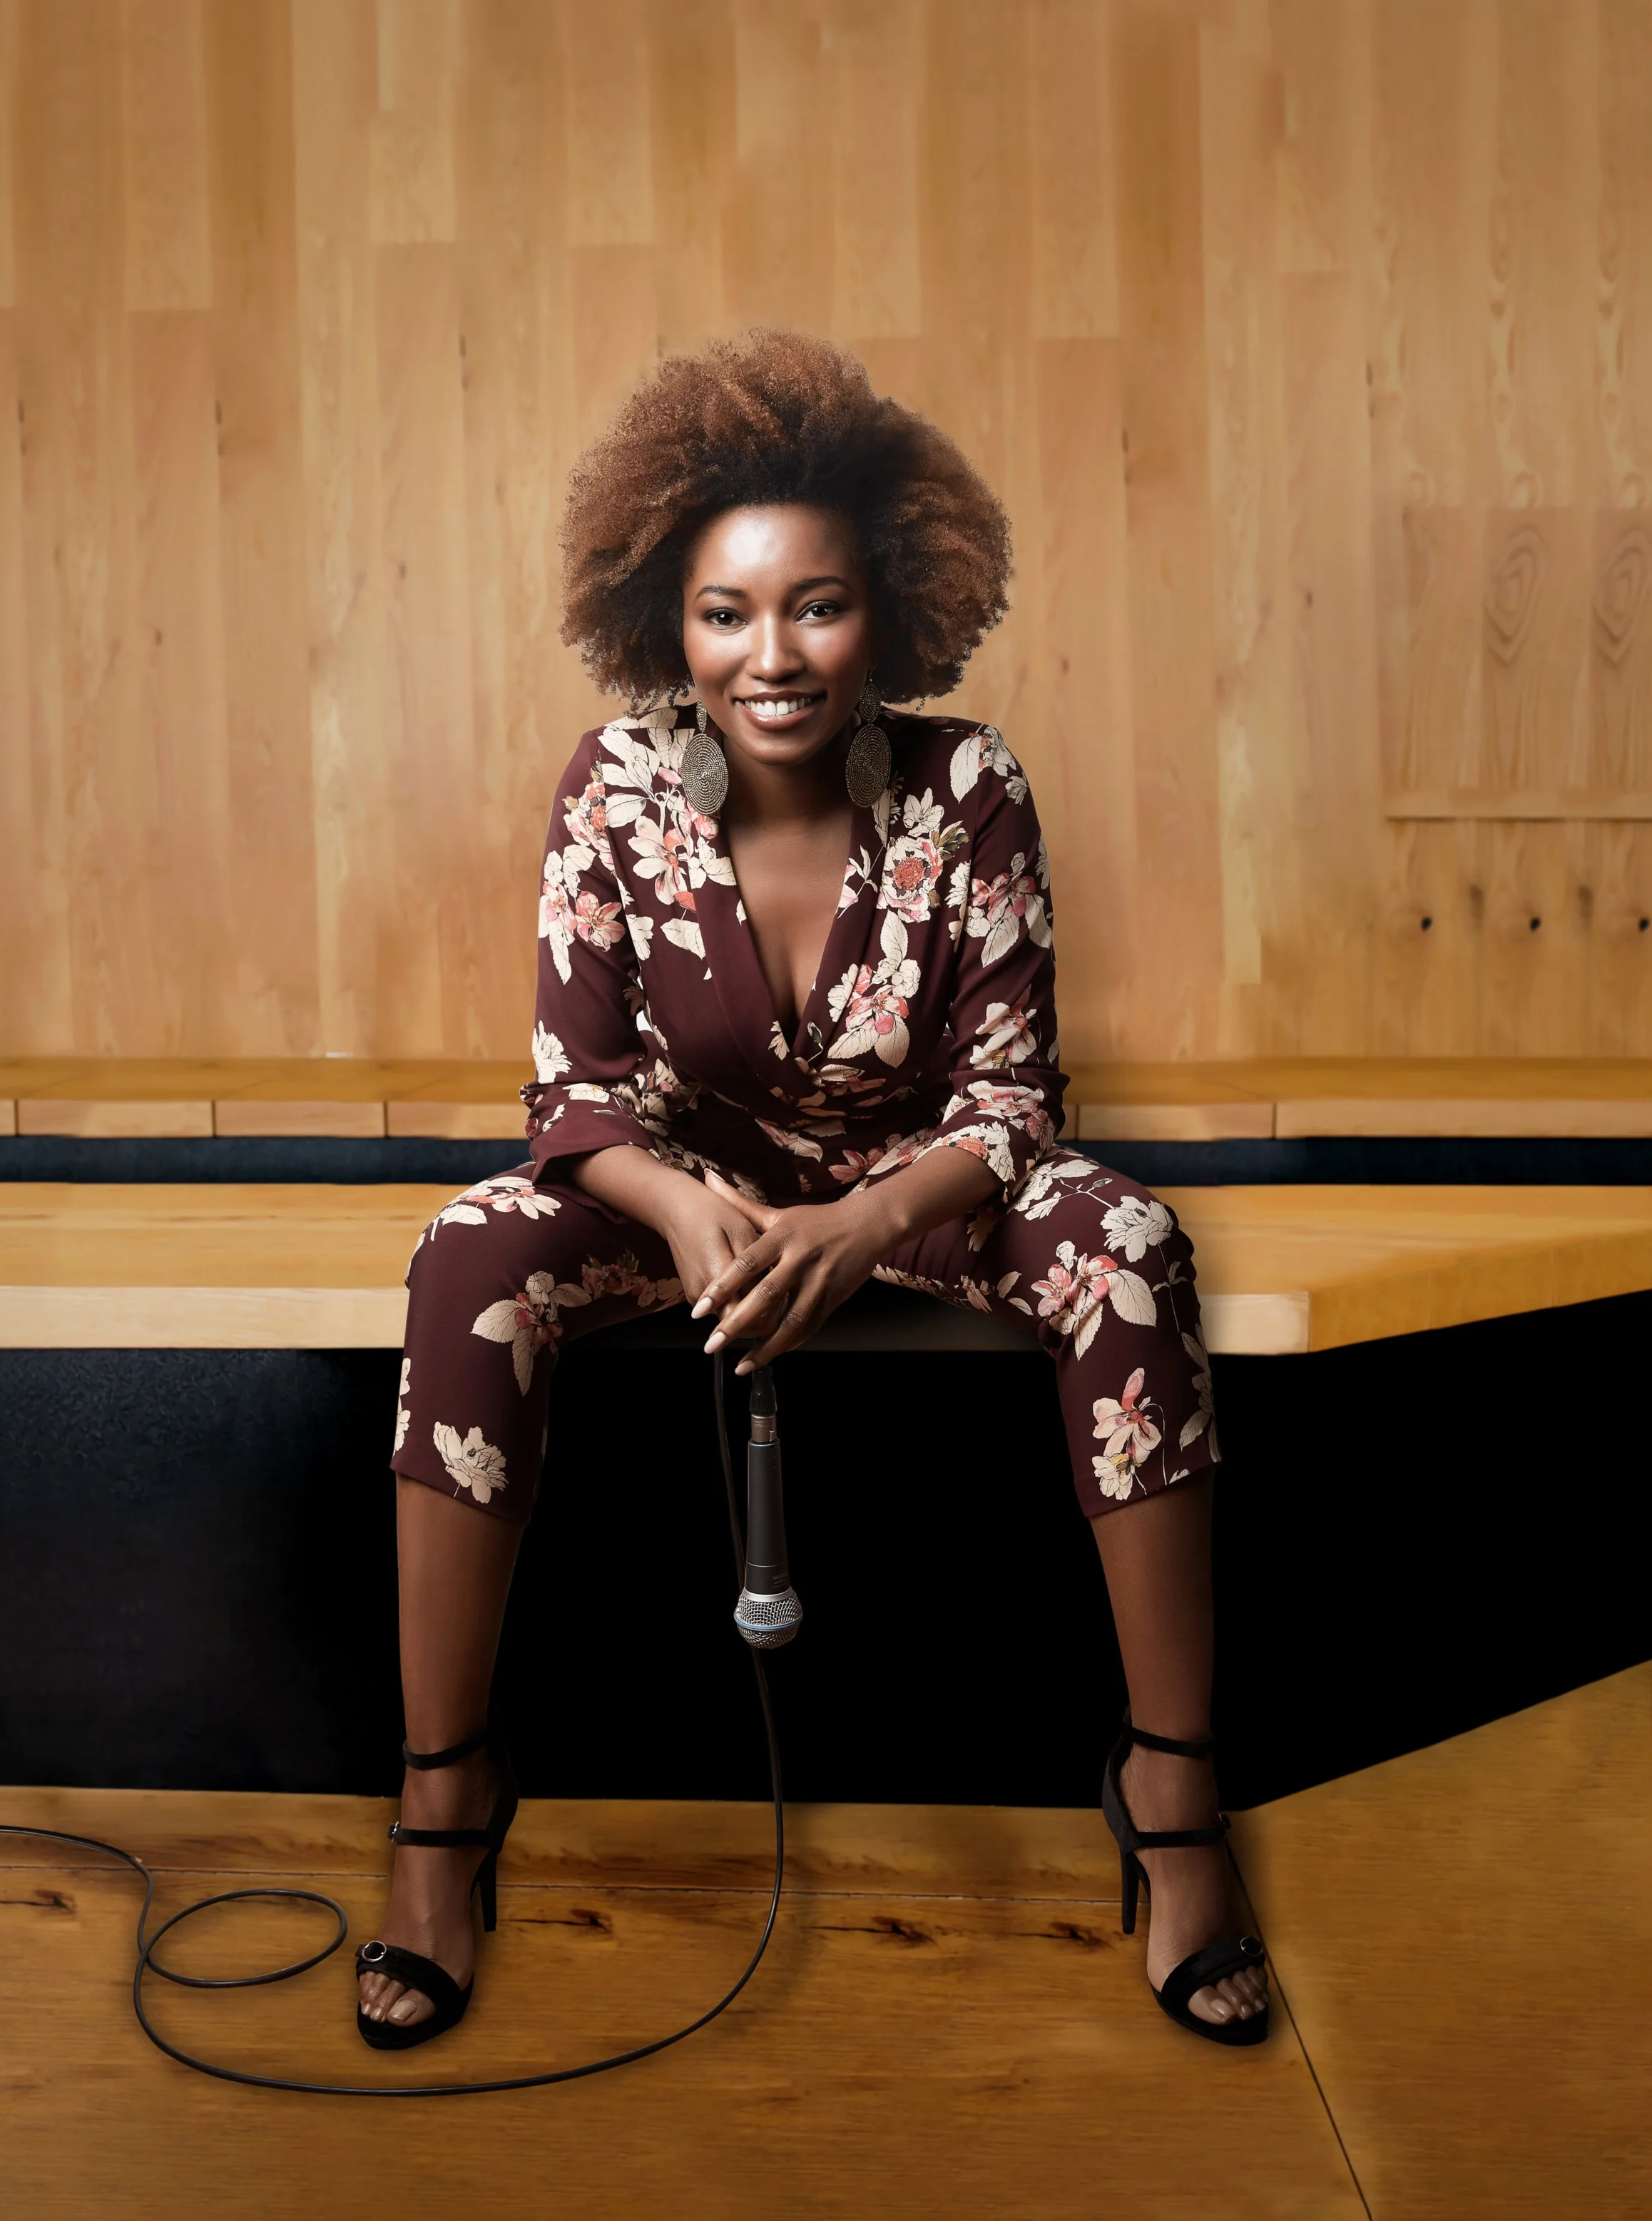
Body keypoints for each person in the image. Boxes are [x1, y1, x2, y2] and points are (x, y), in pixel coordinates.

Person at [354, 331, 1268, 2051]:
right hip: (680, 1192)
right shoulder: (612, 788)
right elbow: (574, 1089)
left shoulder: (972, 785)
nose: (770, 655)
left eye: (817, 606)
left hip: (922, 1190)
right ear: (667, 619)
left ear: (888, 610)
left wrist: (864, 1223)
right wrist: (676, 1204)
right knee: (464, 1257)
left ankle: (1170, 1789)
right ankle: (442, 1798)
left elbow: (1011, 1095)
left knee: (1133, 1244)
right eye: (727, 613)